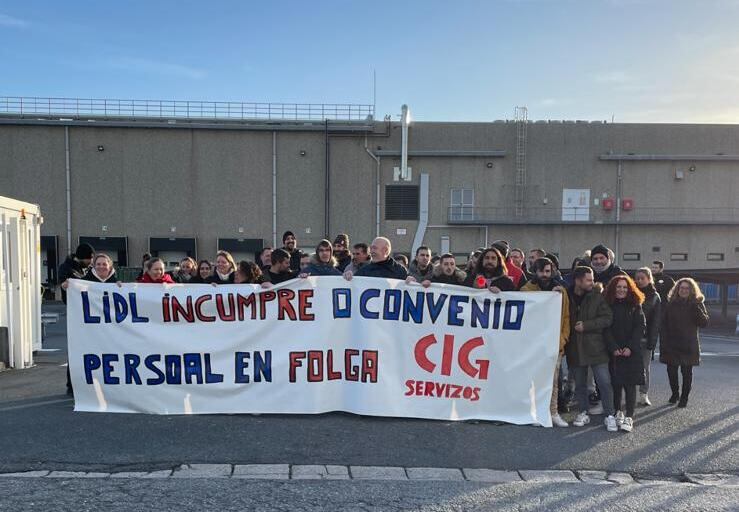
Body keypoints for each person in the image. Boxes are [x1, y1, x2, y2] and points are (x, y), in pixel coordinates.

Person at [566, 266, 618, 431]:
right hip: (574, 347)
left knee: (604, 382)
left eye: (592, 279)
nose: (592, 282)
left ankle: (610, 414)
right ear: (578, 281)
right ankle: (583, 412)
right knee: (580, 384)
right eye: (588, 280)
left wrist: (587, 325)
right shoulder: (565, 296)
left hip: (596, 347)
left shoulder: (597, 296)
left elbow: (608, 318)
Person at [521, 257, 571, 427]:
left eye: (548, 271)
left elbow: (566, 317)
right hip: (533, 344)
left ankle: (553, 412)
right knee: (533, 381)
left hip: (554, 344)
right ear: (535, 272)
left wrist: (562, 339)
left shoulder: (561, 291)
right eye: (541, 271)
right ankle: (534, 413)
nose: (544, 274)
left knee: (553, 381)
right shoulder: (526, 290)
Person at [604, 275, 646, 433]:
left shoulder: (636, 305)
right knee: (615, 384)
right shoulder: (607, 305)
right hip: (613, 351)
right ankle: (618, 412)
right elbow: (606, 329)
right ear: (613, 289)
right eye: (618, 287)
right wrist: (613, 347)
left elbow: (640, 328)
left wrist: (630, 347)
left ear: (630, 289)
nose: (621, 290)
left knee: (630, 385)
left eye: (625, 287)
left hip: (631, 352)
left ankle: (629, 416)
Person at [660, 277, 709, 408]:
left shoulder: (697, 303)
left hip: (689, 344)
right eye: (682, 288)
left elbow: (704, 323)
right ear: (677, 289)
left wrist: (695, 307)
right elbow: (663, 324)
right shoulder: (670, 303)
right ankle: (675, 393)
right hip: (672, 343)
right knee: (671, 372)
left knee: (687, 373)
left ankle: (684, 397)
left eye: (687, 288)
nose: (684, 290)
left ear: (692, 290)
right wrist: (663, 342)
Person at [634, 267, 662, 406]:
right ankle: (629, 394)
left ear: (649, 279)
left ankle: (643, 394)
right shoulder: (631, 293)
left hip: (645, 338)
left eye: (642, 278)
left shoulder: (655, 296)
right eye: (637, 278)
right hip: (630, 337)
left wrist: (652, 341)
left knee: (645, 367)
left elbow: (656, 322)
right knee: (629, 367)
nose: (639, 281)